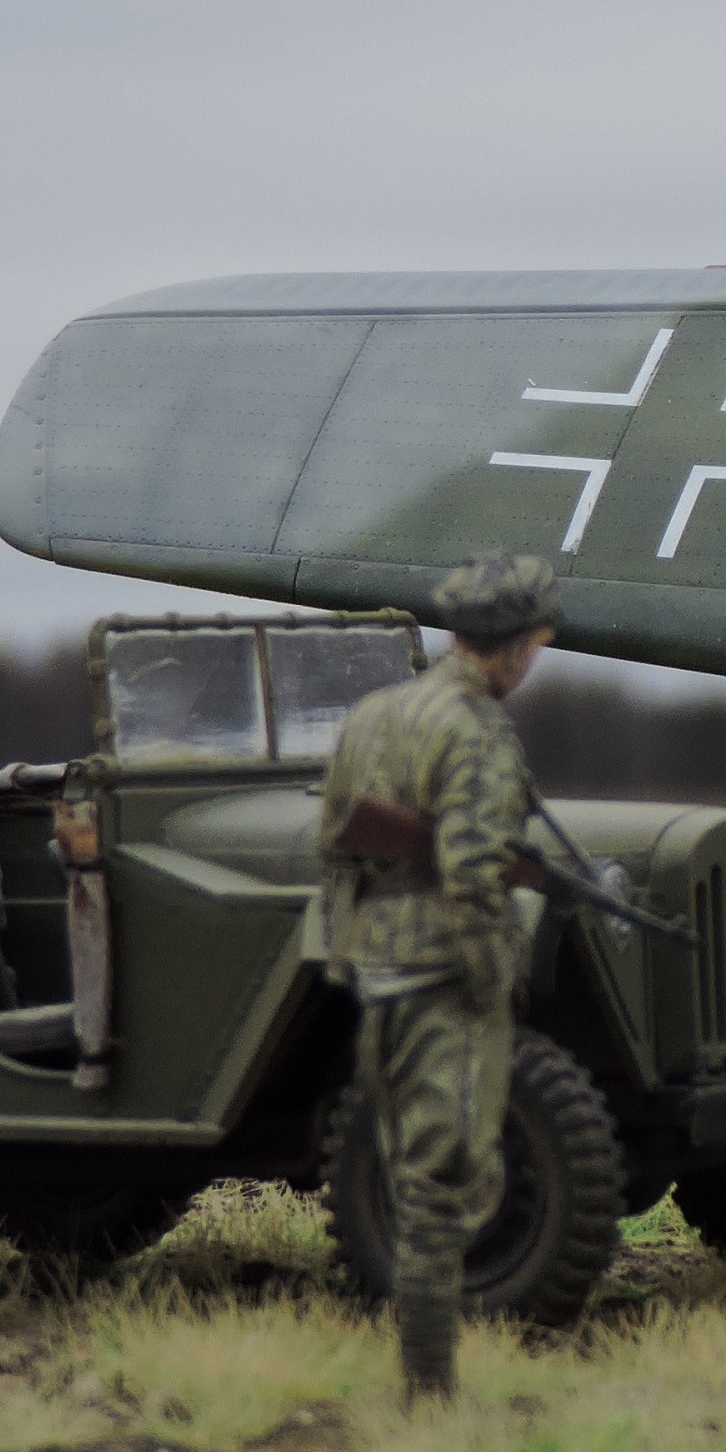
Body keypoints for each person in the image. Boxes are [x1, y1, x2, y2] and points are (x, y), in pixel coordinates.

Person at [316, 550, 563, 1402]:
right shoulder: (475, 730)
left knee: (413, 1170)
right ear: (517, 646)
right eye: (536, 645)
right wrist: (493, 977)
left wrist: (354, 945)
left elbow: (334, 841)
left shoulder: (377, 712)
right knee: (442, 1187)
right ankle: (428, 1395)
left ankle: (425, 1380)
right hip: (442, 983)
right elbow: (471, 873)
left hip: (377, 969)